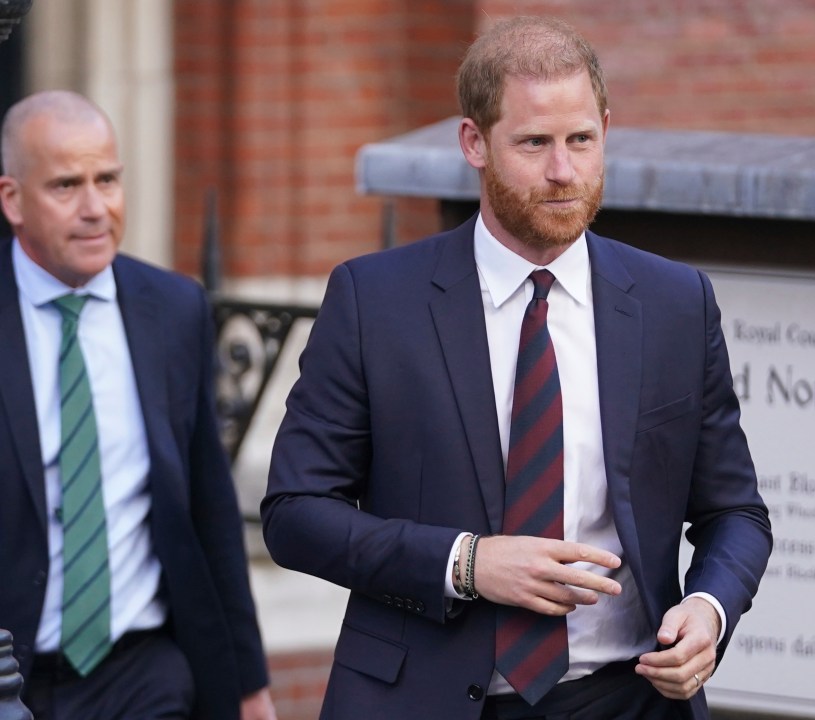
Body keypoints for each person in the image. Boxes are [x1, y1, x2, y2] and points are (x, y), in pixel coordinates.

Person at [262, 15, 771, 720]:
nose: (563, 172)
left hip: (627, 698)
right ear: (474, 142)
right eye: (534, 143)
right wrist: (466, 563)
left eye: (581, 141)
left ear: (605, 130)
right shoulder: (375, 300)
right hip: (424, 701)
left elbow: (735, 510)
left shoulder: (675, 302)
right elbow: (295, 513)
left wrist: (710, 610)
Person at [0, 90, 276, 719]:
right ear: (12, 199)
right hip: (11, 679)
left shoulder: (174, 309)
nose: (96, 208)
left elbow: (210, 506)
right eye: (66, 185)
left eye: (108, 180)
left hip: (143, 672)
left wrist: (247, 680)